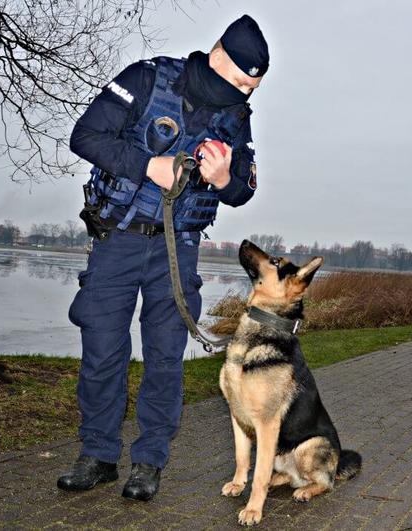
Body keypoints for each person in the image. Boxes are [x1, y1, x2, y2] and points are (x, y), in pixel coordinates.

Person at [57, 14, 269, 501]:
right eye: (240, 81)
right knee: (103, 350)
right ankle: (98, 455)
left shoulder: (237, 117)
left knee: (165, 359)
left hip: (180, 251)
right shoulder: (148, 78)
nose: (245, 94)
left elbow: (244, 188)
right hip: (118, 240)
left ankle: (149, 462)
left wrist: (222, 180)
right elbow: (84, 136)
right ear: (219, 55)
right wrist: (147, 164)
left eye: (253, 87)